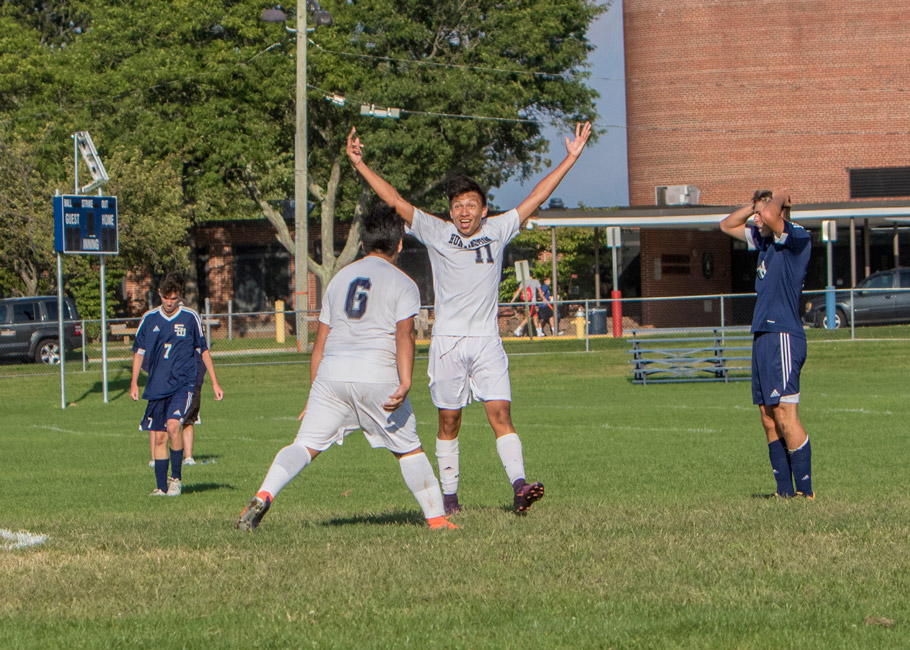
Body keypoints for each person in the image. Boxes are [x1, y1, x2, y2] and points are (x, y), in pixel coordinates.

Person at [346, 121, 592, 514]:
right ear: (451, 210)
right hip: (447, 343)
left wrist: (571, 157)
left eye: (471, 205)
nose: (464, 211)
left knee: (501, 413)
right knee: (449, 422)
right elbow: (394, 200)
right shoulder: (436, 230)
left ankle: (519, 486)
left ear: (483, 209)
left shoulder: (498, 229)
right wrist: (360, 165)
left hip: (487, 342)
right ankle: (449, 499)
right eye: (458, 205)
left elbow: (536, 195)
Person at [235, 205, 457, 531]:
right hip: (376, 374)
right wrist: (406, 381)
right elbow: (405, 334)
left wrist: (314, 393)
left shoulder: (340, 279)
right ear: (399, 244)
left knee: (303, 446)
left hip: (332, 374)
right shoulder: (404, 282)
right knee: (409, 449)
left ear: (364, 244)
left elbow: (320, 342)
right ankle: (437, 520)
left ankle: (264, 494)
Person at [719, 188, 814, 498]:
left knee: (786, 414)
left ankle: (806, 491)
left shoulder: (796, 238)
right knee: (767, 416)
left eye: (761, 214)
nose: (756, 219)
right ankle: (784, 492)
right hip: (762, 336)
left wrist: (782, 197)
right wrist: (753, 205)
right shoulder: (764, 241)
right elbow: (726, 225)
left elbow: (773, 215)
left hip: (783, 335)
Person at [131, 273, 219, 496]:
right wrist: (134, 383)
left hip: (183, 383)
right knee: (159, 436)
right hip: (157, 386)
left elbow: (204, 350)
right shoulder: (150, 319)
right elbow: (139, 353)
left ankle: (176, 479)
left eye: (174, 298)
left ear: (179, 297)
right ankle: (161, 487)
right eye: (166, 298)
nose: (169, 303)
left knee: (173, 427)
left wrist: (215, 382)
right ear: (159, 294)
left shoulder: (190, 317)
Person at [146, 307, 224, 468]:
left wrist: (212, 382)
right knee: (158, 424)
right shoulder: (156, 326)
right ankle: (156, 459)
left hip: (187, 384)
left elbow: (204, 352)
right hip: (163, 385)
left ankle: (185, 460)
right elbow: (144, 354)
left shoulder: (191, 331)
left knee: (188, 419)